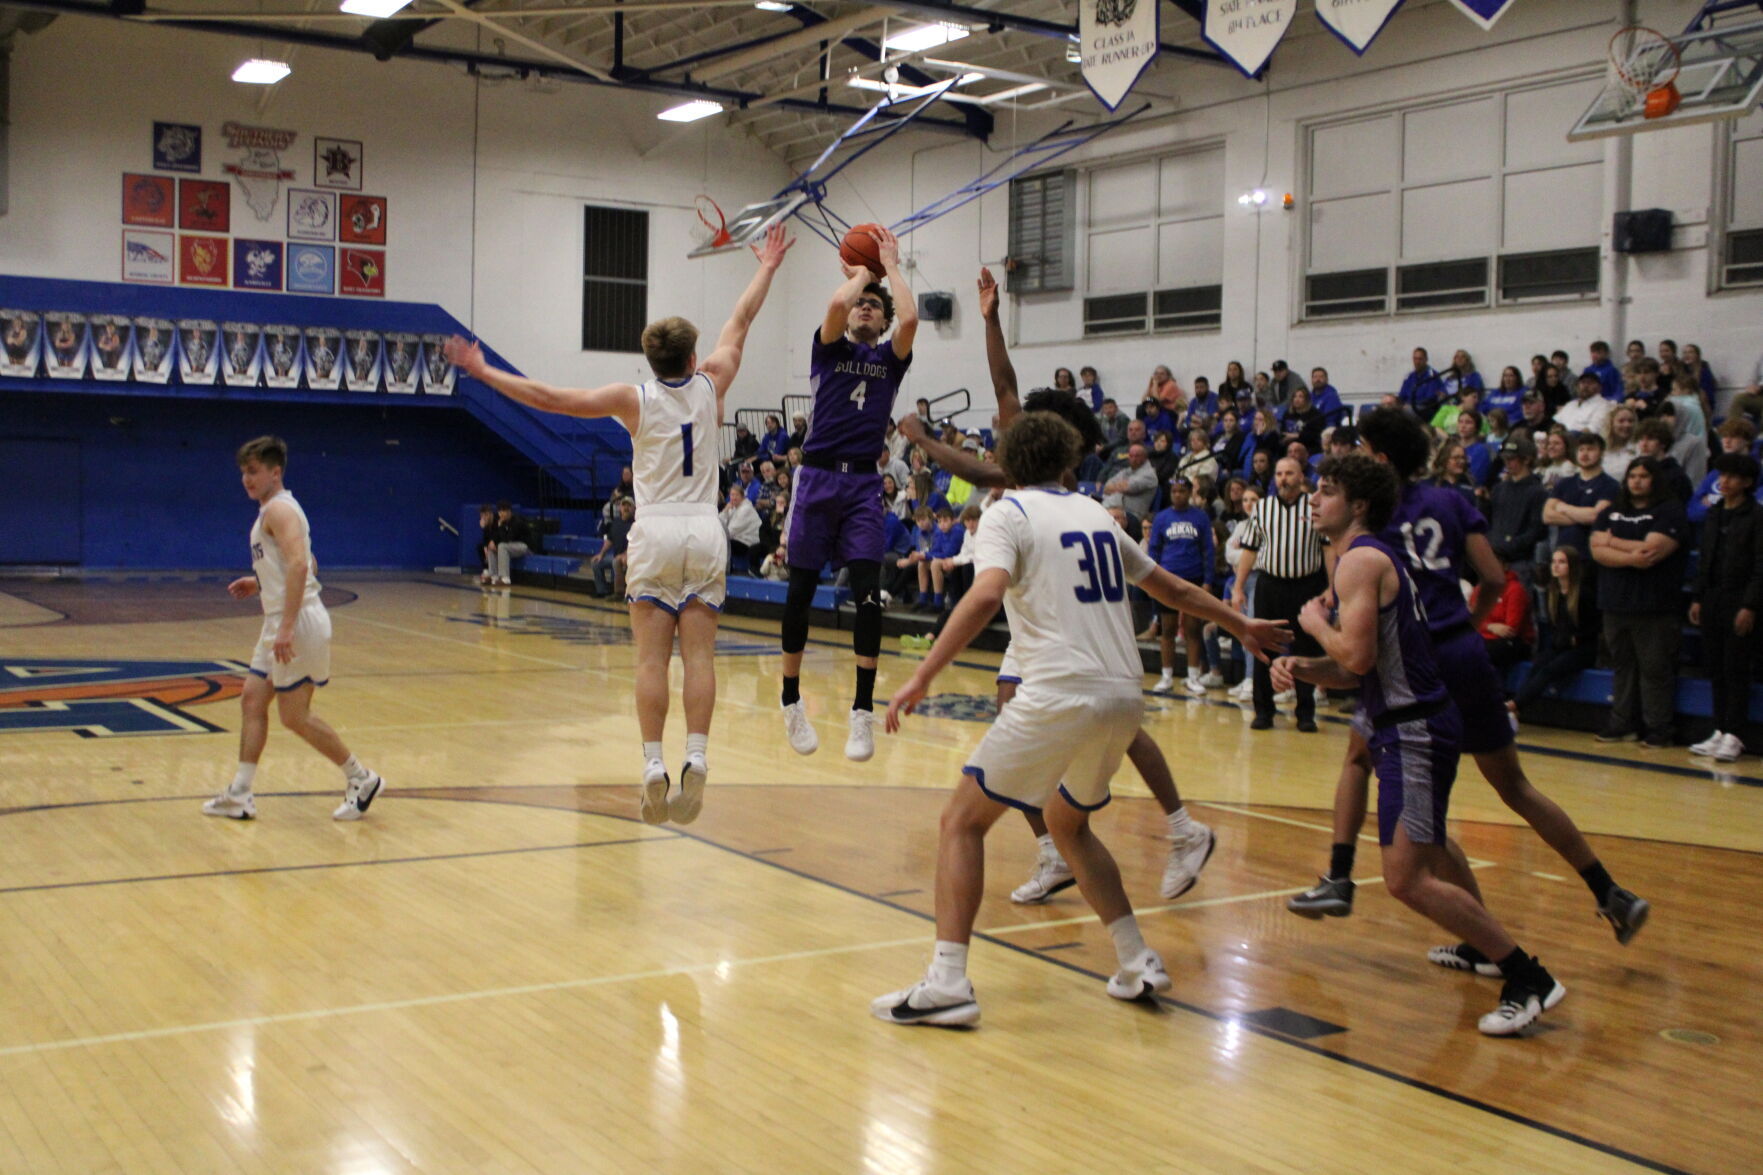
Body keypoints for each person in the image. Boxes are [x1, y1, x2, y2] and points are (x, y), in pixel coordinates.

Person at [872, 412, 1289, 1027]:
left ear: (1008, 464)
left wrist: (923, 674)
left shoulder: (1006, 515)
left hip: (1057, 693)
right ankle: (1135, 958)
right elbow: (1171, 589)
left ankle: (949, 982)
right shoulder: (1096, 513)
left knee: (961, 822)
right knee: (1069, 825)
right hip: (1123, 697)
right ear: (1066, 460)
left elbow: (985, 595)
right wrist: (1240, 622)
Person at [446, 222, 793, 824]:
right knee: (701, 658)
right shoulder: (715, 379)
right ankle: (699, 757)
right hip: (704, 529)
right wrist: (766, 264)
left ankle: (654, 764)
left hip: (655, 528)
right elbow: (741, 320)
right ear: (691, 356)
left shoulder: (634, 400)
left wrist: (485, 372)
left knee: (650, 661)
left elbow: (549, 398)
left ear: (652, 360)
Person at [1288, 410, 1649, 954]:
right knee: (1517, 788)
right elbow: (1494, 577)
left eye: (1362, 448)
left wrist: (1321, 628)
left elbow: (1348, 612)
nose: (1356, 456)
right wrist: (1469, 629)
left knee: (1361, 765)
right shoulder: (1451, 501)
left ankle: (1340, 876)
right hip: (1462, 653)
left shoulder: (1363, 522)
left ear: (1379, 461)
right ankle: (1609, 890)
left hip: (1408, 666)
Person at [1273, 454, 1566, 1035]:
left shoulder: (1359, 561)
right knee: (1427, 857)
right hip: (1406, 723)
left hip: (1414, 729)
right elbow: (1360, 668)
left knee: (1406, 878)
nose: (1313, 498)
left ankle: (1527, 976)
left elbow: (1354, 656)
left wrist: (1313, 625)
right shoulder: (1365, 560)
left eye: (1326, 491)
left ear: (1357, 506)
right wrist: (1303, 667)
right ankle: (1491, 954)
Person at [778, 226, 916, 763]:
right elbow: (838, 300)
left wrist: (891, 268)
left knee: (868, 597)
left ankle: (862, 714)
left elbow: (910, 319)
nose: (864, 308)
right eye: (860, 304)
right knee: (800, 595)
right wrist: (863, 274)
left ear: (880, 322)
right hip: (815, 478)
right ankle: (791, 701)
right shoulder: (828, 350)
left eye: (872, 307)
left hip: (862, 484)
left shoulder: (889, 360)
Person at [202, 436, 385, 822]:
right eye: (243, 473)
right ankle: (240, 792)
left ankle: (362, 778)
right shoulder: (276, 510)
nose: (246, 480)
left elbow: (302, 566)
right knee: (252, 700)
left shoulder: (280, 510)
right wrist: (262, 582)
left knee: (294, 716)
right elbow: (308, 561)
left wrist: (286, 627)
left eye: (253, 471)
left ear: (275, 472)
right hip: (282, 618)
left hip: (296, 620)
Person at [1591, 456, 1689, 749]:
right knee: (1622, 667)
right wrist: (1629, 553)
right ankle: (1621, 724)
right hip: (1615, 603)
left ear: (1655, 479)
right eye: (1632, 475)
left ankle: (1659, 728)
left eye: (1643, 476)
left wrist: (1613, 543)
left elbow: (1651, 554)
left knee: (1654, 669)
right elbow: (1596, 550)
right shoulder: (1612, 510)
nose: (1636, 480)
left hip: (1655, 606)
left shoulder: (1670, 511)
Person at [1234, 457, 1327, 732]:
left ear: (1301, 476)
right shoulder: (1263, 508)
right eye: (1279, 473)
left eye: (1289, 473)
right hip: (1270, 585)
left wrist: (1333, 588)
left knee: (1306, 649)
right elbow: (1250, 549)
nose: (1283, 478)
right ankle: (1264, 710)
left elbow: (1328, 549)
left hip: (1307, 585)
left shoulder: (1314, 504)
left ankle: (1306, 712)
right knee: (1264, 646)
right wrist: (1238, 587)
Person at [1688, 452, 1763, 762]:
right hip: (1713, 598)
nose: (1724, 480)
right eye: (1722, 474)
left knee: (1736, 668)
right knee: (1716, 667)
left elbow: (1761, 564)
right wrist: (1697, 596)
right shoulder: (1716, 512)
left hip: (1739, 599)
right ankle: (1719, 729)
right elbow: (1706, 559)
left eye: (1732, 476)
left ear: (1746, 482)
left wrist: (1750, 604)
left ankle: (1735, 734)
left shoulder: (1757, 516)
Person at [1148, 477, 1219, 695]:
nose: (1177, 495)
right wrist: (1153, 578)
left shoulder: (1200, 517)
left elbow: (1208, 550)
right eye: (1174, 491)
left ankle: (1193, 676)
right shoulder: (1162, 517)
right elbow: (1154, 550)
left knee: (1192, 630)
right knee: (1167, 629)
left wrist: (1208, 580)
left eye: (1181, 491)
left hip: (1193, 578)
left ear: (1189, 492)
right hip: (1167, 579)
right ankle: (1167, 676)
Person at [1512, 546, 1601, 715]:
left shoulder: (1584, 594)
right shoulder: (1553, 593)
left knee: (1550, 670)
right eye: (1554, 561)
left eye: (1562, 562)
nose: (1556, 566)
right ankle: (1517, 704)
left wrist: (1578, 638)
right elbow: (1555, 625)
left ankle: (1515, 705)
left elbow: (1597, 624)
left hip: (1583, 649)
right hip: (1562, 645)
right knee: (1538, 664)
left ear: (1572, 566)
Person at [1543, 432, 1621, 564]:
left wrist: (1564, 508)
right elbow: (1547, 516)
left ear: (1601, 452)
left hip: (1591, 556)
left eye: (1590, 449)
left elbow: (1596, 517)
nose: (1585, 454)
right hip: (1562, 556)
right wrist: (1582, 516)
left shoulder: (1610, 485)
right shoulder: (1565, 483)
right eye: (1581, 449)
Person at [1487, 438, 1547, 573]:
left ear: (1526, 460)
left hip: (1520, 562)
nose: (1507, 463)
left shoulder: (1538, 492)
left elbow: (1536, 531)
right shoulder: (1499, 489)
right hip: (1494, 557)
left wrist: (1506, 547)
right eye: (1505, 458)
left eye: (1512, 458)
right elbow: (1490, 520)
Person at [1473, 558, 1533, 679]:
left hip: (1515, 642)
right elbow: (1471, 619)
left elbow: (1510, 629)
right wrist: (1490, 627)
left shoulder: (1515, 589)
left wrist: (1482, 626)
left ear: (1505, 566)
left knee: (1480, 653)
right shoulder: (1480, 589)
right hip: (1487, 638)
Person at [592, 496, 636, 597]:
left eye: (629, 505)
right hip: (615, 555)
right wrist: (601, 554)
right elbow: (610, 540)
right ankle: (602, 591)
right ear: (620, 508)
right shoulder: (616, 522)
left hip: (629, 557)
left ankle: (623, 594)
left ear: (634, 509)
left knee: (617, 562)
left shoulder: (635, 524)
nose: (626, 508)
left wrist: (626, 555)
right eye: (623, 505)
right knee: (596, 563)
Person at [485, 500, 533, 587]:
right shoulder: (503, 522)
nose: (501, 514)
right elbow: (498, 537)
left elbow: (507, 539)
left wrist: (500, 526)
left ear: (509, 511)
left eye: (503, 511)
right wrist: (492, 541)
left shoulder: (517, 522)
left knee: (501, 546)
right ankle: (494, 575)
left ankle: (505, 578)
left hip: (524, 547)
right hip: (511, 546)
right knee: (492, 547)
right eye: (499, 511)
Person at [1556, 372, 1614, 439]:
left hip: (1584, 443)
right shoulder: (1570, 405)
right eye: (1583, 382)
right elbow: (1556, 423)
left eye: (1590, 383)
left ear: (1599, 388)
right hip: (1560, 442)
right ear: (1577, 387)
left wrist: (1567, 438)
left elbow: (1593, 429)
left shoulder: (1603, 405)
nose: (1585, 386)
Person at [720, 483, 763, 573]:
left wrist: (718, 536)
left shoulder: (746, 509)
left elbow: (731, 531)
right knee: (722, 541)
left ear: (742, 497)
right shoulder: (733, 508)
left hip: (748, 543)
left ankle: (725, 570)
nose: (734, 498)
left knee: (724, 543)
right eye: (732, 495)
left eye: (736, 495)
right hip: (738, 539)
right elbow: (719, 524)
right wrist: (725, 511)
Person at [1398, 347, 1444, 419]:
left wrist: (1410, 405)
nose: (1417, 362)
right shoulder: (1409, 376)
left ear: (1426, 360)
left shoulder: (1432, 376)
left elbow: (1430, 399)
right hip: (1409, 407)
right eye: (1415, 359)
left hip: (1426, 409)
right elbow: (1401, 396)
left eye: (1420, 359)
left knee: (1406, 411)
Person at [474, 503, 496, 584]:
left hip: (498, 543)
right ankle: (486, 569)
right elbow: (486, 539)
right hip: (491, 544)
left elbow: (496, 536)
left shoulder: (497, 521)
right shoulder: (486, 525)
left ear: (490, 514)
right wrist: (485, 548)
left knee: (489, 548)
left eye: (486, 515)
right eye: (482, 516)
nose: (484, 518)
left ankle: (493, 573)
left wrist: (489, 546)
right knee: (480, 547)